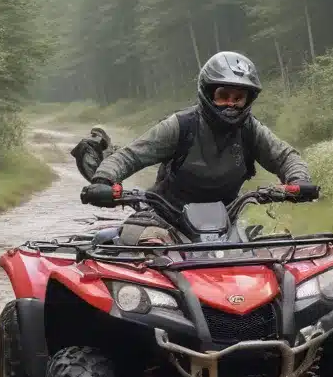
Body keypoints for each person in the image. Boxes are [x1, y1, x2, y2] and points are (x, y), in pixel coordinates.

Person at [86, 52, 312, 245]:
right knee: (148, 244)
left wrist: (299, 179)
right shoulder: (180, 125)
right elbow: (129, 156)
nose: (231, 104)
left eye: (238, 97)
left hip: (226, 222)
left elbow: (285, 157)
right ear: (208, 93)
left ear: (248, 100)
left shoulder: (251, 129)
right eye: (223, 96)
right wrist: (103, 180)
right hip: (165, 217)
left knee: (270, 249)